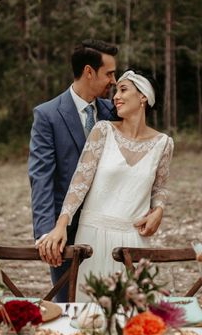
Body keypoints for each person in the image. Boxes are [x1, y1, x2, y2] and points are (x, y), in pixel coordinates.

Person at [38, 70, 174, 301]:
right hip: (92, 238)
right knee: (90, 315)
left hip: (134, 240)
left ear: (143, 97)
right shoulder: (103, 130)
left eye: (123, 90)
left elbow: (159, 188)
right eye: (115, 91)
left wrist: (159, 210)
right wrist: (61, 224)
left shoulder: (163, 143)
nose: (115, 97)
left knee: (137, 316)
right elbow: (80, 182)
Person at [28, 39, 119, 302]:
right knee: (69, 307)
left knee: (111, 305)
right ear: (89, 72)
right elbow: (41, 176)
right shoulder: (48, 116)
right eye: (109, 73)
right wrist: (46, 233)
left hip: (109, 228)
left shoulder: (114, 111)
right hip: (65, 232)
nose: (113, 81)